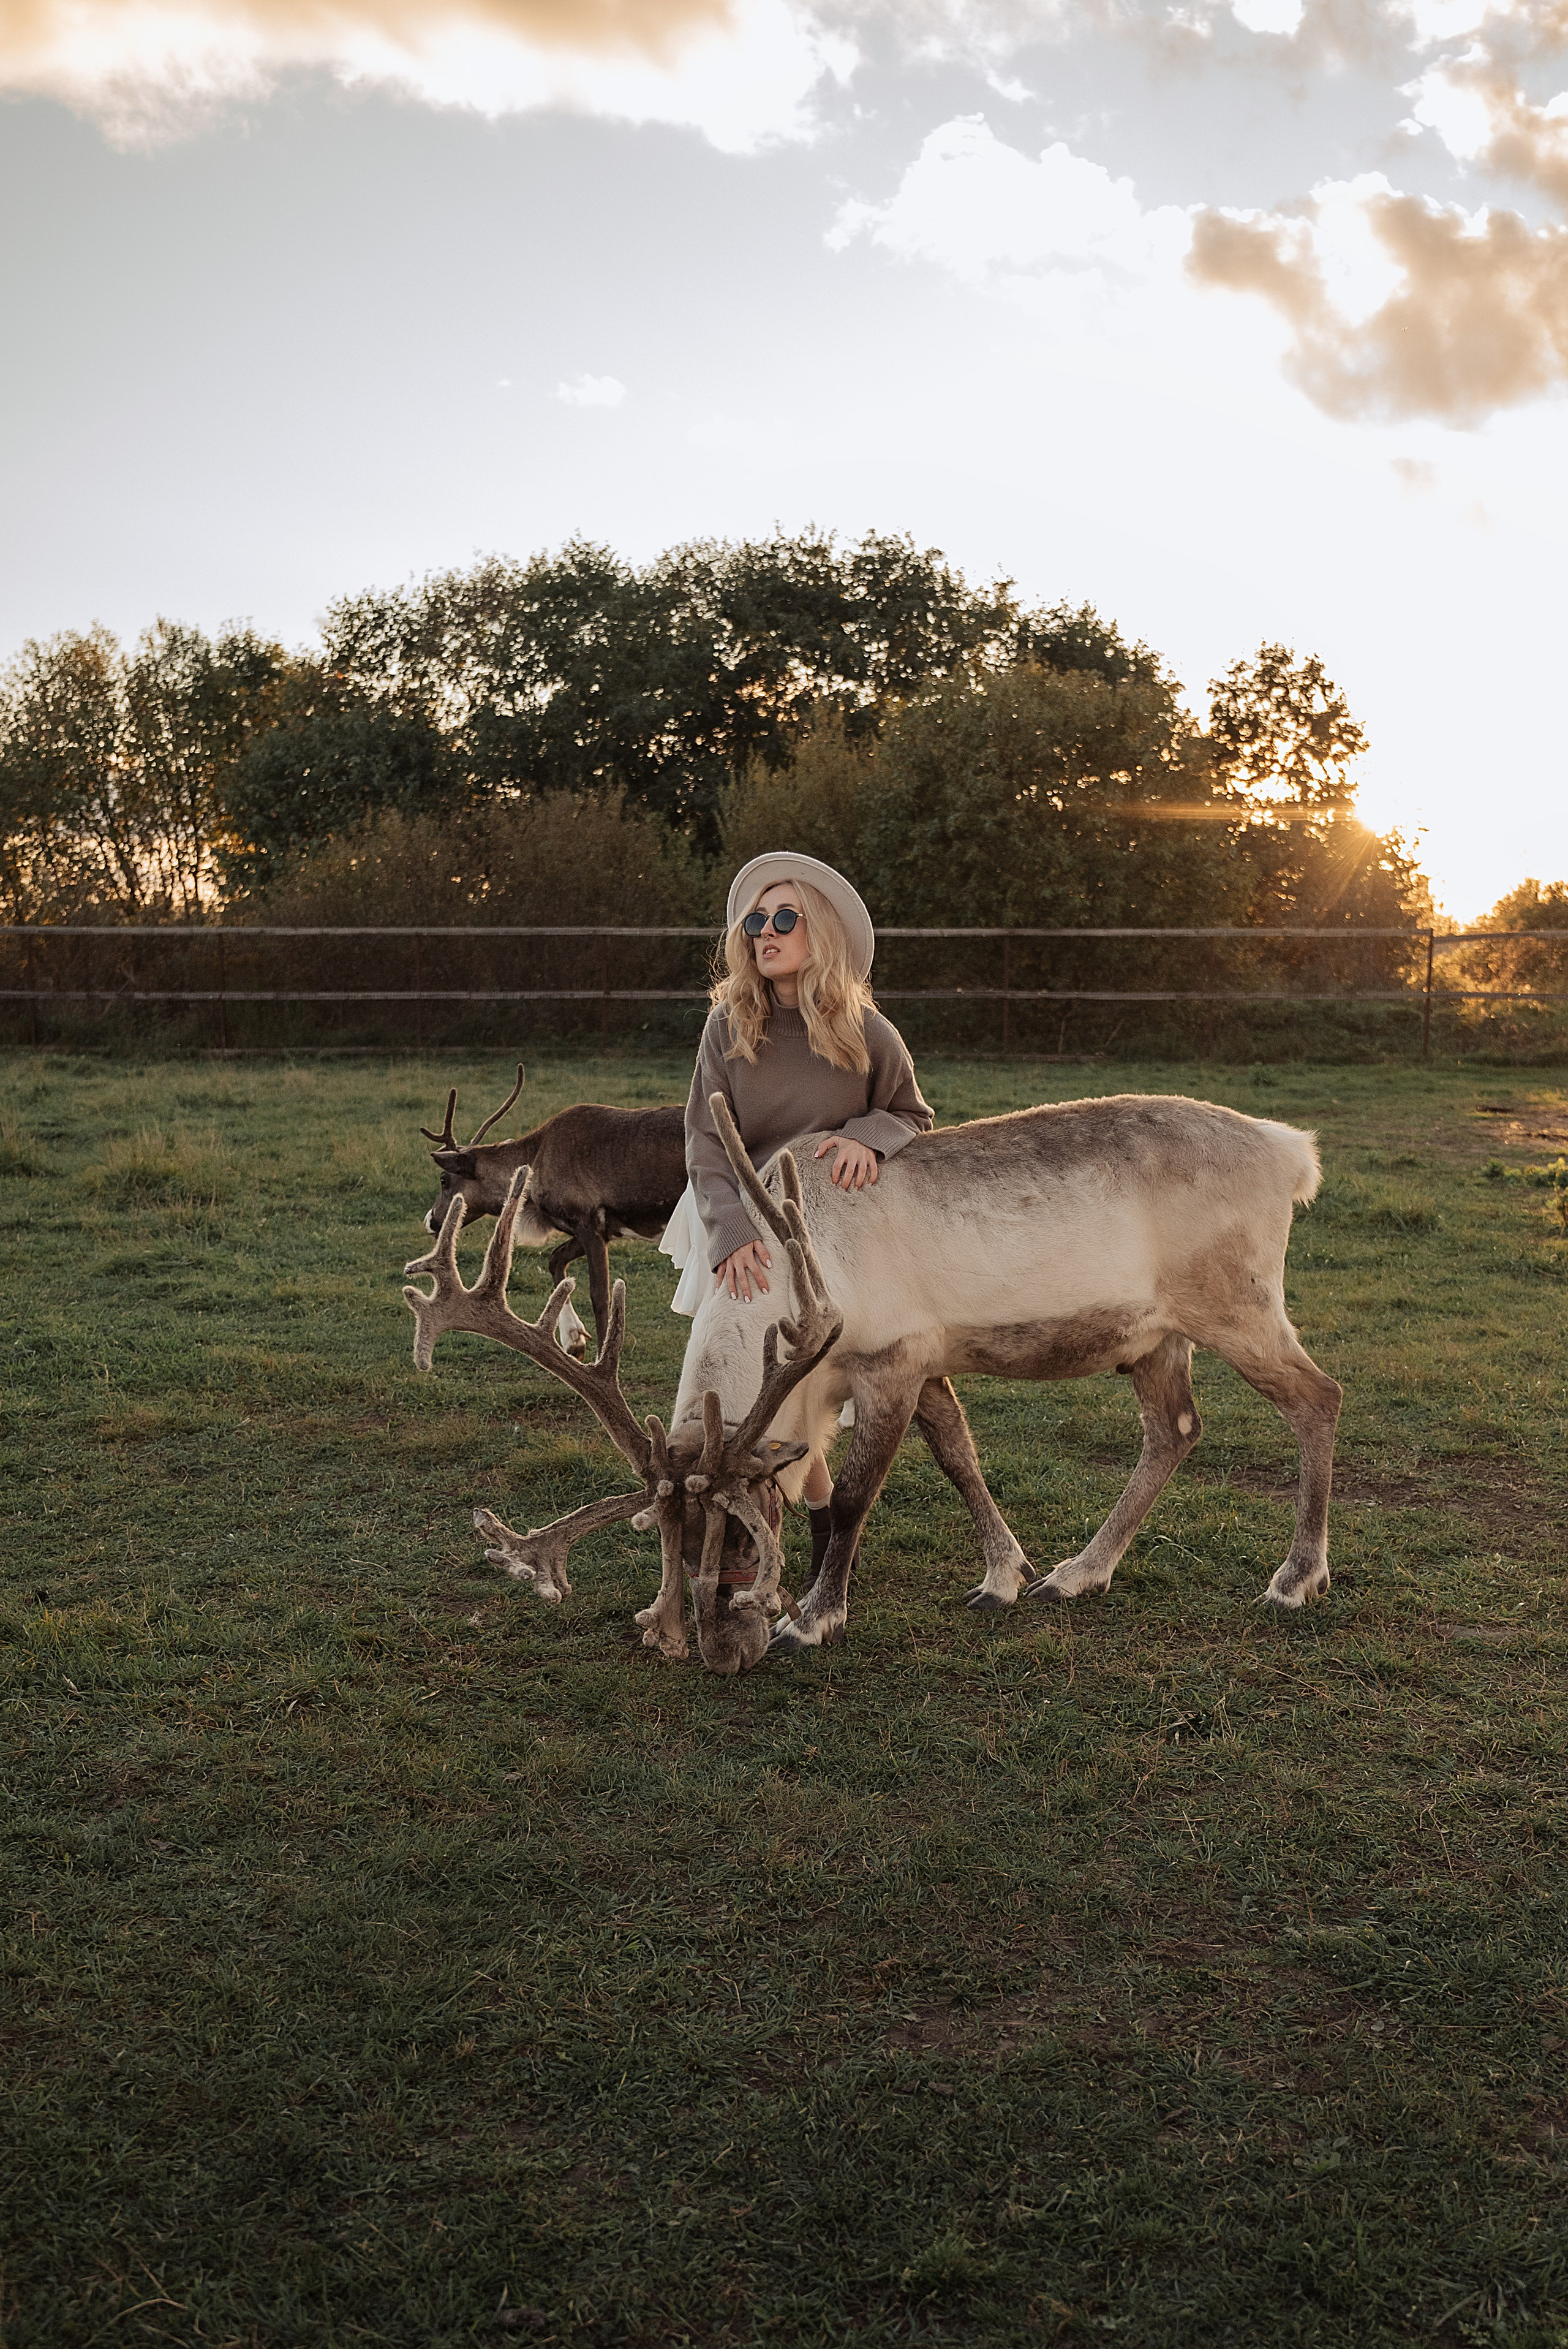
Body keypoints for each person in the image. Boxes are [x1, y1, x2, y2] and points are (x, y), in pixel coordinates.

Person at [660, 851, 932, 1584]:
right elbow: (704, 1141)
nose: (765, 932)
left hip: (833, 1237)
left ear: (824, 934)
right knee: (746, 1387)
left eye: (785, 918)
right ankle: (745, 1522)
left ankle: (815, 1528)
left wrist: (868, 1137)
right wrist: (731, 1232)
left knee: (807, 1385)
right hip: (736, 1219)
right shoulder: (728, 1025)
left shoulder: (867, 1032)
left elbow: (911, 1114)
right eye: (755, 921)